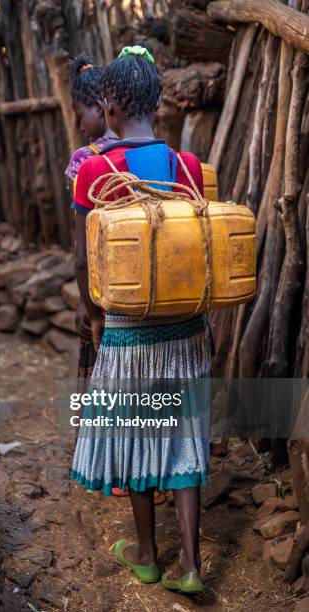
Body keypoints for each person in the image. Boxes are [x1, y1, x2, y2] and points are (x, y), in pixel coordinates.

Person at [70, 43, 212, 594]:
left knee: (132, 428)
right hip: (186, 329)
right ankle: (193, 564)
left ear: (107, 103)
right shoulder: (188, 168)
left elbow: (86, 256)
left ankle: (149, 554)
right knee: (186, 435)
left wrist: (91, 309)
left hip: (130, 331)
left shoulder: (97, 171)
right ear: (157, 102)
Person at [65, 54, 119, 381]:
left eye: (79, 114)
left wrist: (86, 302)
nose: (78, 124)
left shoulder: (84, 160)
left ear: (99, 107)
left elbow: (80, 248)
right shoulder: (142, 150)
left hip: (100, 294)